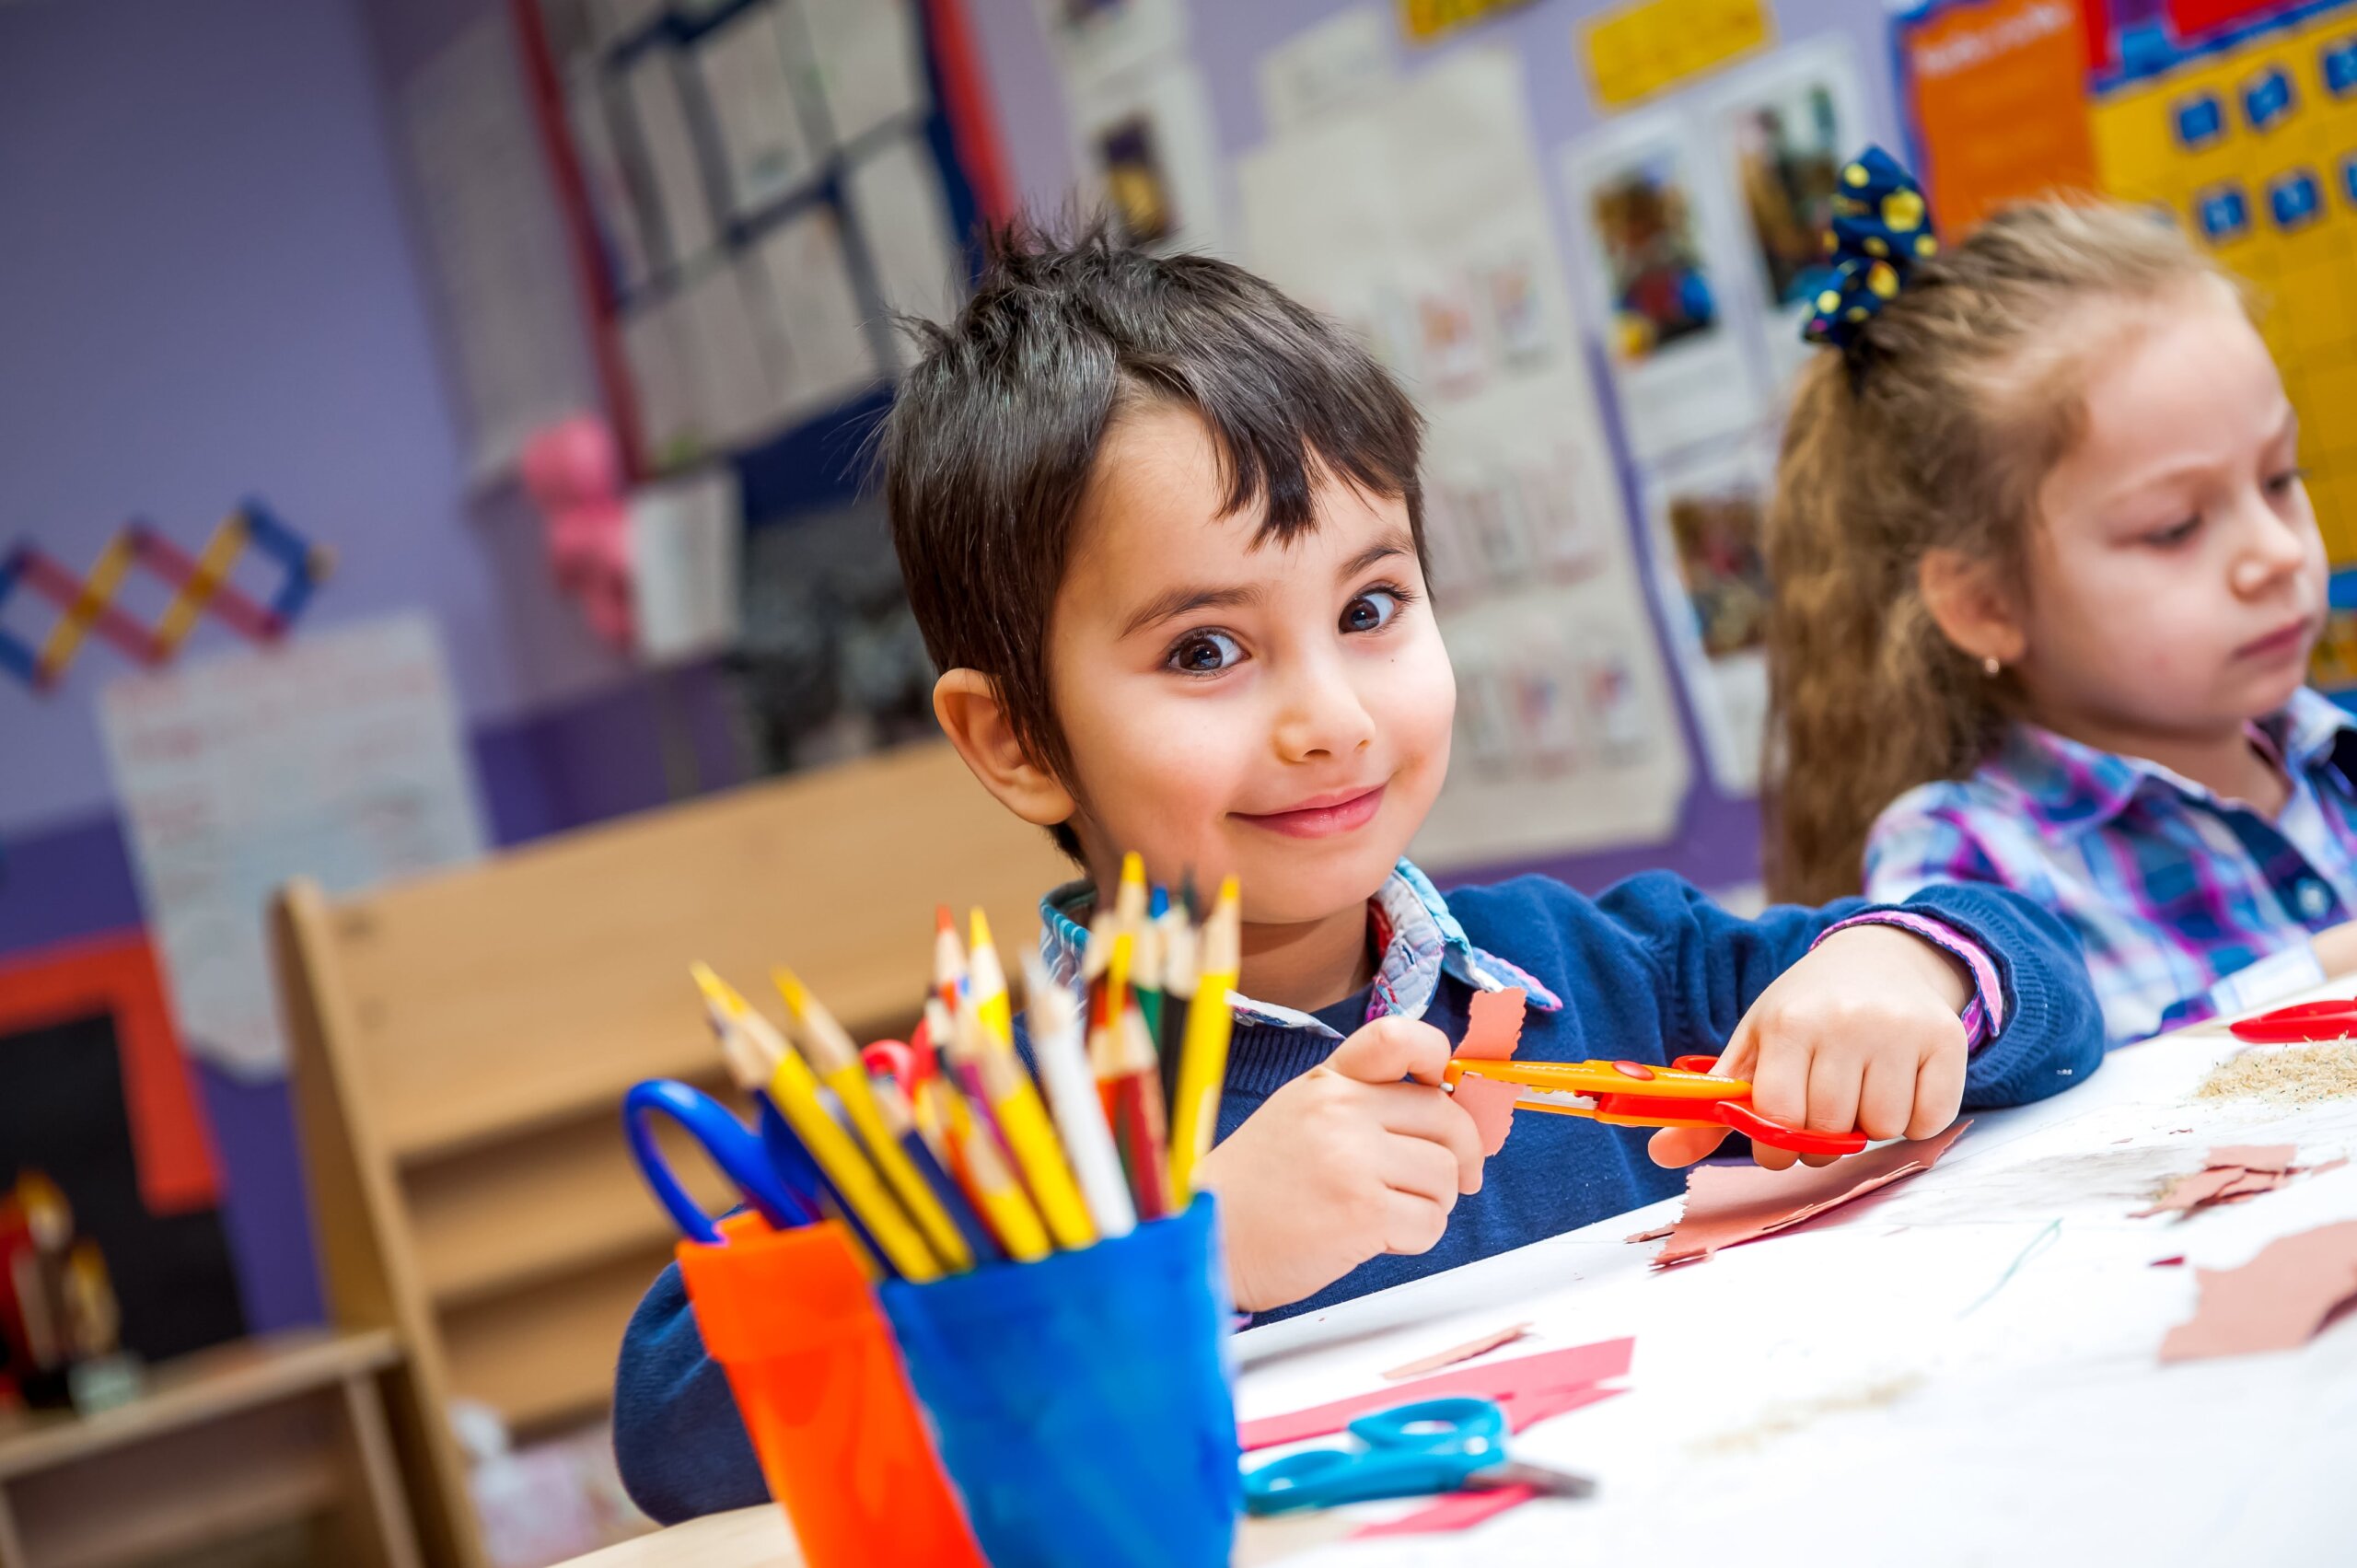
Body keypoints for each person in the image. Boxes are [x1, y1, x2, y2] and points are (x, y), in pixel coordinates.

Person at [613, 215, 2104, 1524]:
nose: (1328, 716)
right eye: (1206, 649)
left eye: (1374, 604)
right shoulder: (985, 1128)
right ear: (1014, 740)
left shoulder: (1599, 972)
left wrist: (1910, 971)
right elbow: (680, 1419)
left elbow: (2037, 968)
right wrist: (1185, 1249)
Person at [1766, 147, 2351, 1046]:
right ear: (1984, 603)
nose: (2274, 553)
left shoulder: (2334, 763)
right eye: (2173, 527)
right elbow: (2048, 1120)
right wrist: (2317, 976)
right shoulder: (1964, 858)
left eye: (2279, 478)